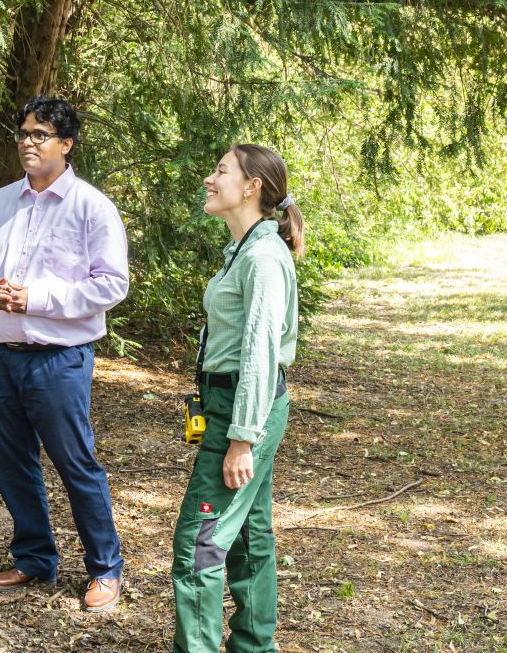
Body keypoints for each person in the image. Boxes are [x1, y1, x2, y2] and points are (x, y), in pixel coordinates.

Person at [0, 95, 129, 613]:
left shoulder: (91, 208)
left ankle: (104, 569)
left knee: (75, 462)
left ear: (67, 144)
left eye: (40, 135)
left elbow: (112, 285)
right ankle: (34, 557)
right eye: (23, 133)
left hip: (59, 359)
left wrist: (39, 298)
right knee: (9, 461)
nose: (28, 142)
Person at [171, 144, 305, 652]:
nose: (209, 178)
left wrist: (242, 439)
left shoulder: (264, 259)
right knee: (248, 535)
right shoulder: (246, 251)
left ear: (252, 187)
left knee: (198, 544)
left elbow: (259, 356)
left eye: (220, 170)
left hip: (245, 410)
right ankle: (254, 646)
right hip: (235, 405)